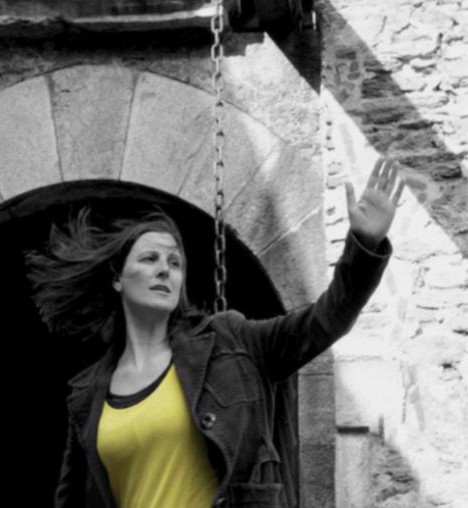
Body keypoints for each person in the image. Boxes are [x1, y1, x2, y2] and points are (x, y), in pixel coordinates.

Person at [29, 158, 405, 508]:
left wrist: (364, 249)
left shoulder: (232, 343)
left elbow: (324, 321)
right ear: (117, 278)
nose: (165, 269)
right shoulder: (87, 395)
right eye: (149, 258)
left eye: (175, 262)